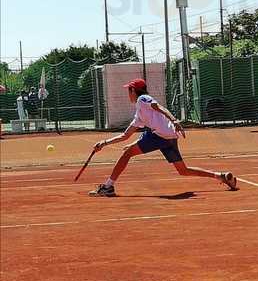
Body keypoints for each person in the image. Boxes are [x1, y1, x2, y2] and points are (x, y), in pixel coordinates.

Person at [89, 78, 238, 197]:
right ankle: (221, 176)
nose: (128, 93)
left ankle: (108, 187)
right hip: (169, 137)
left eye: (129, 90)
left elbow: (159, 107)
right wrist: (104, 143)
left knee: (127, 154)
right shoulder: (139, 115)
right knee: (183, 170)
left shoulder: (143, 99)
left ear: (133, 90)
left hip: (160, 136)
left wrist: (174, 120)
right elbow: (125, 135)